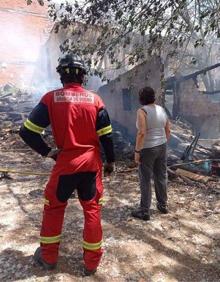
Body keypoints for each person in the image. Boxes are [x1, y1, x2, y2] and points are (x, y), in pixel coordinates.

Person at [19, 53, 115, 275]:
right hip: (91, 164)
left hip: (65, 164)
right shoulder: (96, 100)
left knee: (53, 209)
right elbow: (106, 136)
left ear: (61, 76)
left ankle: (49, 257)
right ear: (83, 76)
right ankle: (92, 263)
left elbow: (27, 131)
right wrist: (110, 161)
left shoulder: (51, 99)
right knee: (92, 210)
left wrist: (48, 152)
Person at [132, 86, 170, 221]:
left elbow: (142, 132)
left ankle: (144, 211)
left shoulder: (142, 111)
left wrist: (137, 151)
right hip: (162, 146)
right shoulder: (161, 109)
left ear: (141, 98)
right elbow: (168, 129)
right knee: (161, 176)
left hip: (148, 149)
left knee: (145, 179)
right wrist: (163, 143)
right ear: (153, 97)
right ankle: (163, 205)